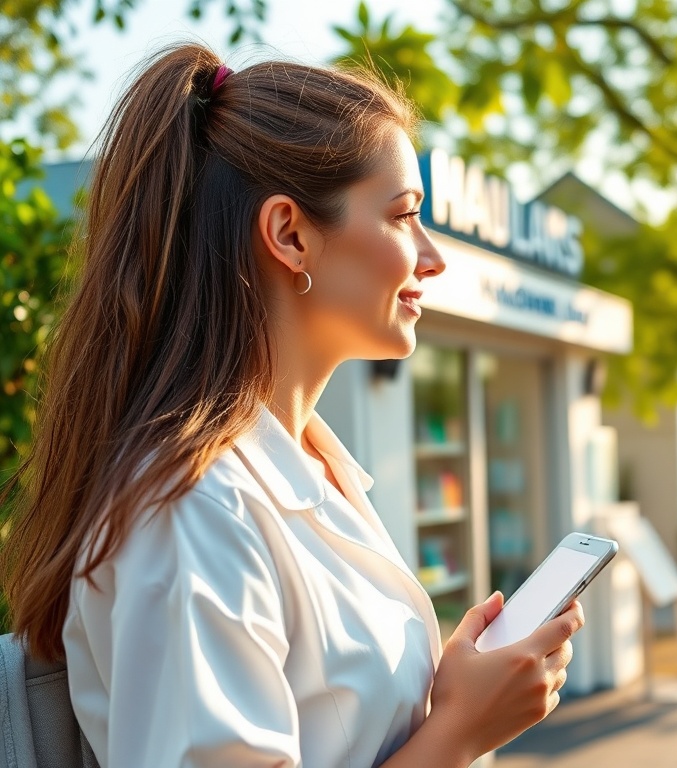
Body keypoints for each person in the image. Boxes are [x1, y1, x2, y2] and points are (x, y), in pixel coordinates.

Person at [0, 44, 582, 768]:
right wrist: (461, 731)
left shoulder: (308, 467)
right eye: (403, 216)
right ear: (290, 234)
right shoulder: (190, 510)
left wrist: (462, 699)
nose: (432, 257)